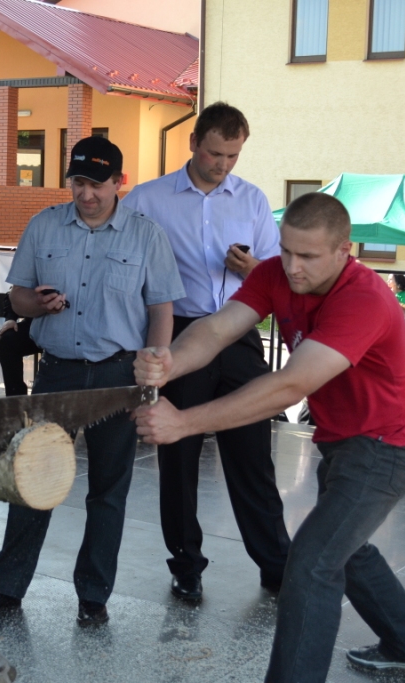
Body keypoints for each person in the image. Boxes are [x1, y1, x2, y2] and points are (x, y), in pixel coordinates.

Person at [133, 192, 405, 681]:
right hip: (341, 438)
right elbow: (217, 330)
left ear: (343, 250)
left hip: (387, 446)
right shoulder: (275, 273)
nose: (293, 267)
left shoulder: (363, 298)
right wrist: (171, 363)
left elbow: (290, 385)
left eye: (308, 256)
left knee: (312, 563)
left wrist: (184, 423)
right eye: (287, 250)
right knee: (345, 546)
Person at [0, 136, 184, 625]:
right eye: (78, 183)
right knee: (33, 479)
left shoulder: (146, 235)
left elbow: (161, 310)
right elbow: (17, 298)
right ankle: (7, 587)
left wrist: (152, 377)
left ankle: (93, 596)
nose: (86, 194)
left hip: (119, 375)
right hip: (57, 373)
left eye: (97, 184)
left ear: (120, 182)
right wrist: (37, 304)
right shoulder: (44, 225)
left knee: (108, 490)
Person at [121, 101, 289, 601]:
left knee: (253, 455)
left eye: (233, 156)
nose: (223, 164)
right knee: (178, 459)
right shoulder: (148, 199)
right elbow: (124, 267)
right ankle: (186, 566)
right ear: (194, 142)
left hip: (239, 331)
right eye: (216, 153)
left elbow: (276, 272)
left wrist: (252, 270)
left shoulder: (253, 200)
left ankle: (277, 564)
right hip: (179, 333)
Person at [0, 295, 40, 397]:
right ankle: (16, 397)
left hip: (67, 328)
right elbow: (12, 295)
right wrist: (10, 318)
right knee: (6, 341)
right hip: (35, 323)